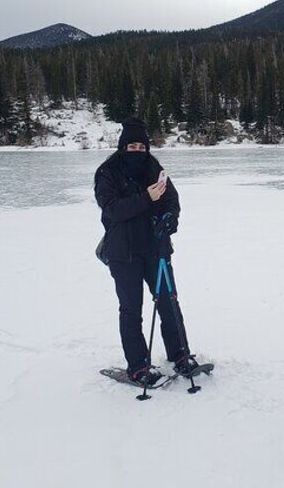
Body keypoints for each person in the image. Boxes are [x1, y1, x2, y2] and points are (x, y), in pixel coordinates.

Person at [95, 118, 201, 386]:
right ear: (122, 146)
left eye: (141, 146)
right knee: (131, 310)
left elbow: (171, 200)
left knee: (169, 302)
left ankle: (180, 355)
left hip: (156, 248)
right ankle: (138, 365)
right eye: (132, 146)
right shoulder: (107, 172)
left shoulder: (155, 169)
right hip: (123, 253)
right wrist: (147, 199)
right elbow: (113, 210)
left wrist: (169, 218)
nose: (137, 151)